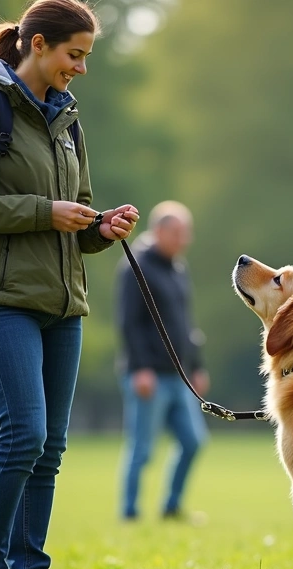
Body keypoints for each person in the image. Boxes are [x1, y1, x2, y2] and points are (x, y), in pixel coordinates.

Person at [0, 0, 140, 569]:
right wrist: (42, 212)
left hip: (61, 303)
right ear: (39, 44)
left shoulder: (68, 119)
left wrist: (100, 227)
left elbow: (72, 219)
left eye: (86, 56)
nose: (81, 68)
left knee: (48, 449)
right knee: (23, 434)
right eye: (74, 55)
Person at [115, 201, 209, 522]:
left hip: (179, 376)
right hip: (148, 375)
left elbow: (186, 323)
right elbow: (129, 322)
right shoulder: (135, 267)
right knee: (142, 449)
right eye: (177, 232)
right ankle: (129, 513)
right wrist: (140, 368)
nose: (184, 239)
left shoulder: (178, 268)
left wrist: (197, 366)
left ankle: (172, 506)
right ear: (158, 231)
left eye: (187, 233)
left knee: (194, 441)